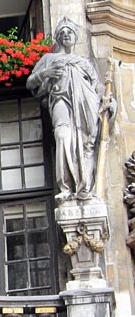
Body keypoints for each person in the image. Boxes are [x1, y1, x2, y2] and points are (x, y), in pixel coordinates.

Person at [27, 18, 113, 201]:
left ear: (75, 37)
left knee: (86, 143)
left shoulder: (83, 62)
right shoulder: (49, 59)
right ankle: (65, 186)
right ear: (58, 38)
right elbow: (30, 82)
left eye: (70, 32)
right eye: (62, 32)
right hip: (61, 99)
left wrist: (109, 102)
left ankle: (84, 188)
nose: (66, 35)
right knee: (62, 135)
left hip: (86, 104)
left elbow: (97, 87)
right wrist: (45, 73)